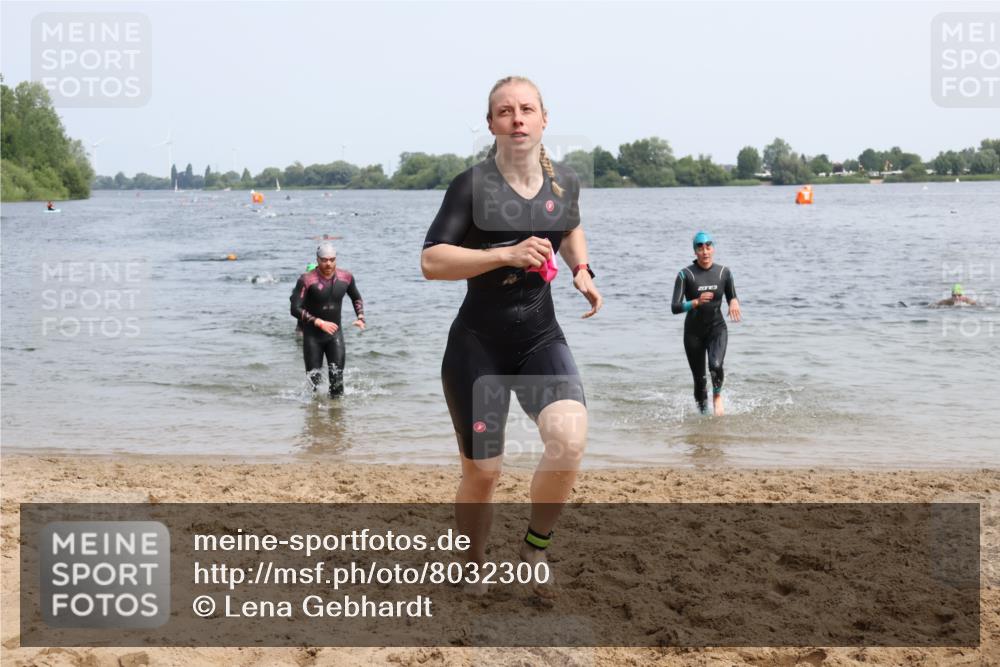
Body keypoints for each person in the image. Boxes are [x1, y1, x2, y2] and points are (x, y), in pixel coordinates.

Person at [421, 76, 602, 593]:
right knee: (484, 474)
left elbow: (568, 226)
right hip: (477, 347)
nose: (517, 119)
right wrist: (504, 254)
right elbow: (432, 261)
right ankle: (472, 562)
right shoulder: (472, 186)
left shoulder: (564, 181)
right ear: (491, 124)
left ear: (545, 118)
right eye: (505, 111)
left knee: (569, 441)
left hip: (539, 339)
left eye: (526, 110)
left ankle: (534, 546)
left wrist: (581, 268)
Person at [671, 231, 741, 416]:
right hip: (693, 333)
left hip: (717, 329)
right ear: (695, 251)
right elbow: (675, 307)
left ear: (713, 248)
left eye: (708, 247)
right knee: (700, 380)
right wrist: (695, 302)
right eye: (700, 248)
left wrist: (734, 301)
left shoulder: (723, 272)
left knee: (716, 366)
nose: (705, 251)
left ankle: (717, 395)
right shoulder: (685, 275)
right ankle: (703, 418)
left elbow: (731, 295)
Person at [290, 243, 365, 396]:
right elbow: (294, 308)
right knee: (314, 385)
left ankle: (336, 417)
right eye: (324, 260)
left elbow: (356, 297)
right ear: (317, 260)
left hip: (335, 336)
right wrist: (319, 322)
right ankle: (314, 417)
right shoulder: (306, 280)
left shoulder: (346, 277)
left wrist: (361, 317)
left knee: (337, 382)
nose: (328, 263)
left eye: (332, 259)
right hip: (313, 336)